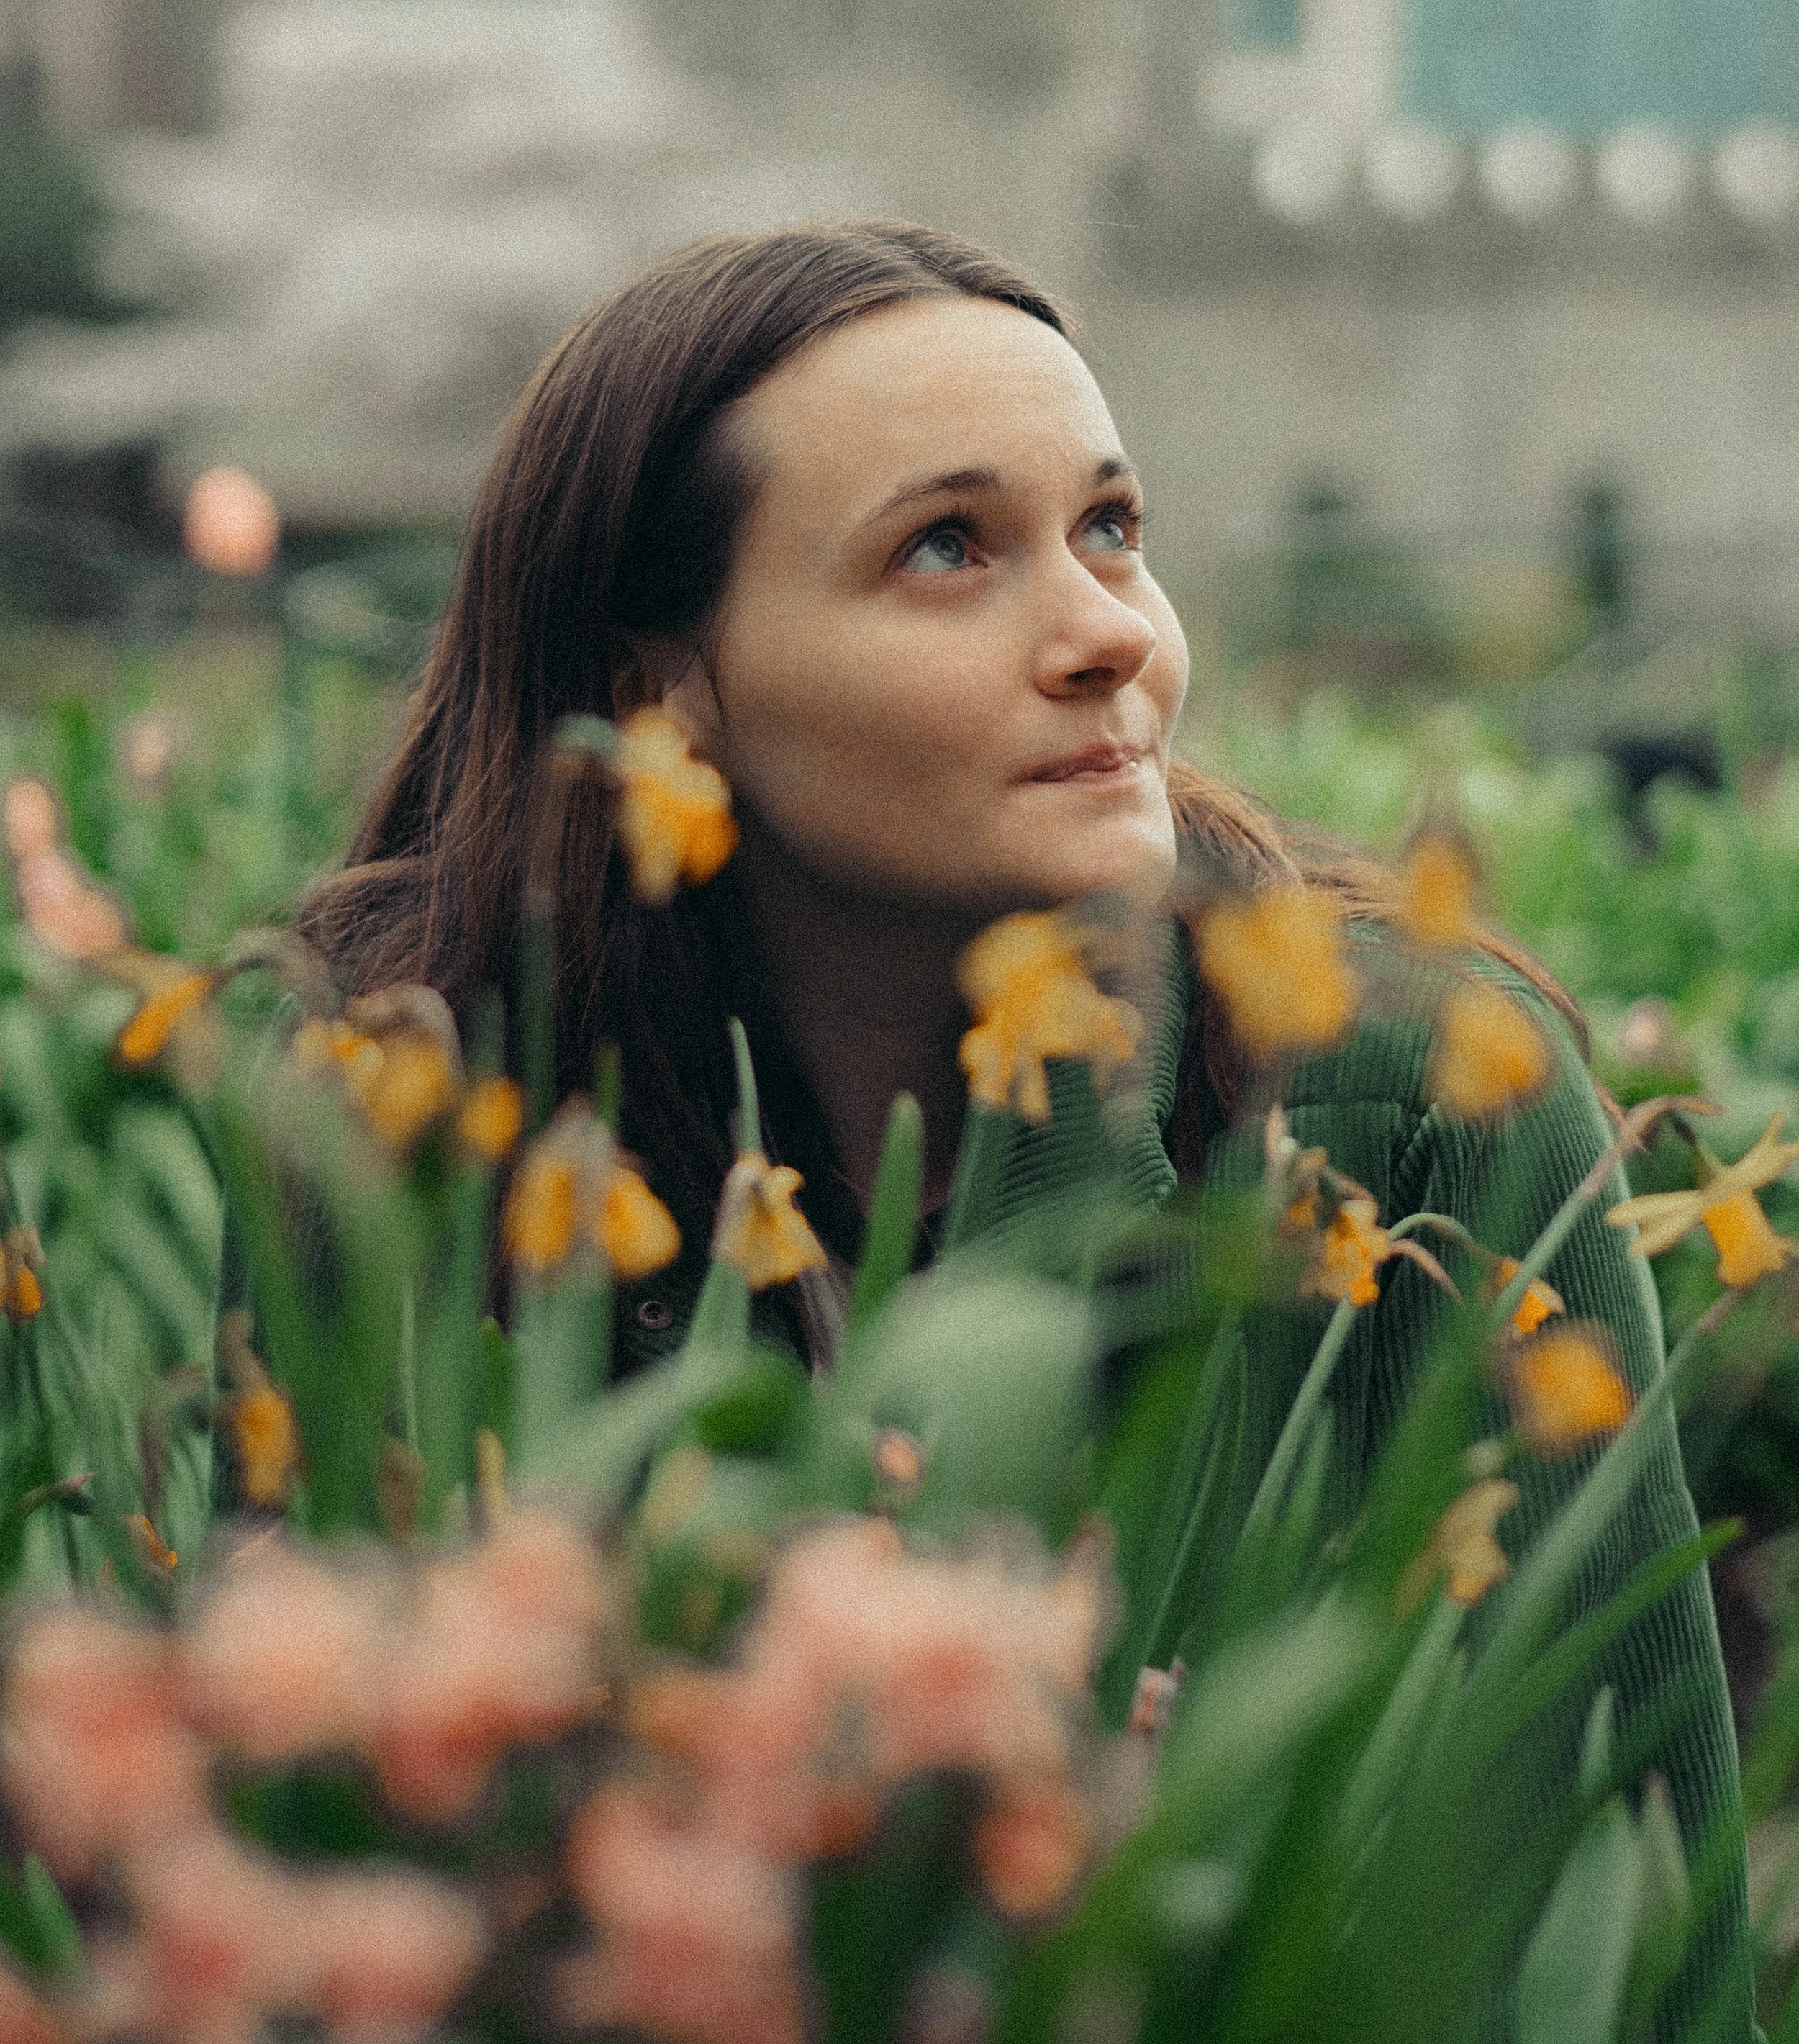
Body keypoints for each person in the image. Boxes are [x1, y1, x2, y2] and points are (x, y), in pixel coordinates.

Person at [298, 222, 1752, 2040]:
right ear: (667, 683)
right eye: (946, 547)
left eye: (1111, 529)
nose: (1110, 636)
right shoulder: (409, 1120)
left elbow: (1632, 1907)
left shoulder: (1413, 1098)